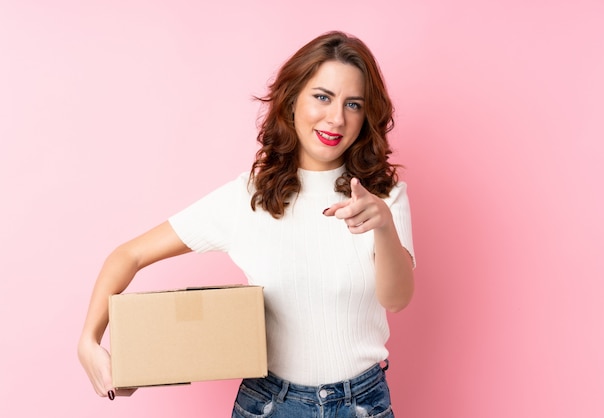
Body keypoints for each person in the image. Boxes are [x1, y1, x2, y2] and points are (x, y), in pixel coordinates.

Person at [78, 30, 415, 418]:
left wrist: (384, 227)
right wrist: (88, 340)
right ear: (291, 102)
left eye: (353, 104)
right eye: (322, 97)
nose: (336, 118)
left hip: (362, 404)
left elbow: (397, 299)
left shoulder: (384, 196)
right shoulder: (247, 198)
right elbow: (128, 255)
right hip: (271, 405)